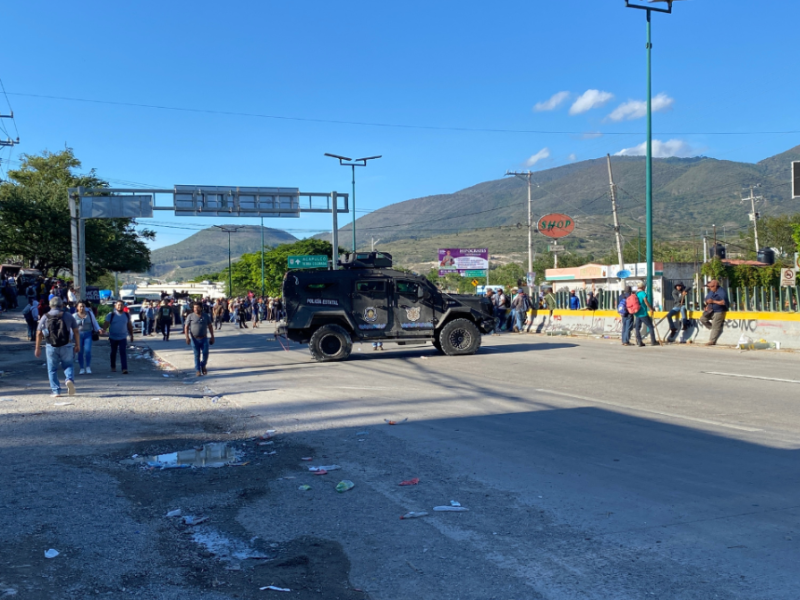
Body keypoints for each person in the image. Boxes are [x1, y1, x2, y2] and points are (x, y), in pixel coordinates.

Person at [35, 297, 79, 397]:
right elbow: (76, 331)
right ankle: (69, 379)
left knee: (52, 369)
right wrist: (77, 344)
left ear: (50, 305)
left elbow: (38, 333)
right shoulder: (68, 316)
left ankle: (56, 391)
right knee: (68, 365)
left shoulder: (45, 317)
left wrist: (37, 347)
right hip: (66, 344)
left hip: (51, 345)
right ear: (62, 305)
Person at [184, 302, 215, 376]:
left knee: (205, 354)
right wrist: (187, 337)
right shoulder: (190, 316)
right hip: (195, 339)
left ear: (201, 308)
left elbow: (210, 326)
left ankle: (203, 365)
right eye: (194, 308)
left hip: (204, 338)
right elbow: (186, 327)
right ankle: (198, 370)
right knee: (197, 355)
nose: (196, 309)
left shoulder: (205, 316)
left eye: (197, 307)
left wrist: (212, 336)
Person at [104, 300, 134, 373]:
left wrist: (131, 335)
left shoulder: (127, 315)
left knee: (123, 352)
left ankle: (124, 368)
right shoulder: (111, 315)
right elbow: (106, 324)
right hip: (113, 337)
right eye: (118, 305)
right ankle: (113, 366)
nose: (120, 306)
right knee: (113, 352)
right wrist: (103, 330)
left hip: (123, 337)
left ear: (124, 306)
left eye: (121, 305)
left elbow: (129, 325)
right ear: (115, 306)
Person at [75, 301, 101, 374]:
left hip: (88, 334)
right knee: (80, 351)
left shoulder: (89, 314)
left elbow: (94, 322)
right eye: (80, 306)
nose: (82, 308)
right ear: (77, 308)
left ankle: (88, 366)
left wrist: (99, 329)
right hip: (78, 335)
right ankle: (81, 368)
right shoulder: (74, 316)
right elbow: (71, 327)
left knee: (88, 351)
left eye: (83, 306)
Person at [700, 279, 728, 346]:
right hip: (710, 310)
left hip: (719, 311)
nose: (710, 288)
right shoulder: (711, 291)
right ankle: (713, 329)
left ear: (715, 286)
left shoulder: (722, 292)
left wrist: (713, 301)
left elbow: (724, 302)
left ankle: (712, 341)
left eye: (711, 286)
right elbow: (706, 299)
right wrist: (706, 305)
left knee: (715, 325)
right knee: (702, 319)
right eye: (709, 287)